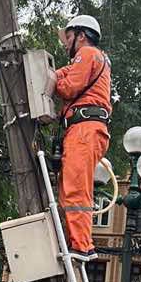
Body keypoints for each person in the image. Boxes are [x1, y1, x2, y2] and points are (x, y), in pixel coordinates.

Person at [50, 15, 111, 262]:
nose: (65, 43)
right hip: (82, 129)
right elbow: (62, 74)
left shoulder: (88, 54)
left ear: (81, 35)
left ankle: (82, 245)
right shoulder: (91, 59)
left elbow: (68, 87)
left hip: (85, 129)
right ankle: (77, 241)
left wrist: (53, 82)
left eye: (68, 37)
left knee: (76, 188)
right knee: (69, 188)